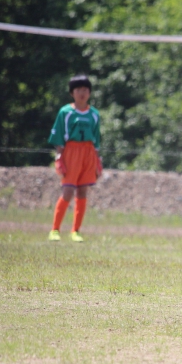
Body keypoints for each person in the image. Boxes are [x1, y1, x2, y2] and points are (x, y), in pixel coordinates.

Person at [47, 75, 102, 242]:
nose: (82, 93)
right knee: (68, 191)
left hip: (88, 152)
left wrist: (97, 161)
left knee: (83, 190)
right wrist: (59, 157)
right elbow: (58, 136)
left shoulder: (94, 114)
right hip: (71, 151)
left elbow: (96, 138)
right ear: (72, 93)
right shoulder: (66, 112)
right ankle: (55, 229)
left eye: (85, 89)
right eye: (78, 90)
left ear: (90, 92)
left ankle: (75, 231)